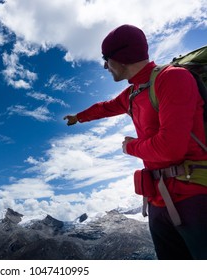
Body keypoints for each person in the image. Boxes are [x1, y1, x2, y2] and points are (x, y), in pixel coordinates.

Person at [64, 24, 207, 260]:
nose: (104, 66)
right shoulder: (134, 92)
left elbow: (170, 148)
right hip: (158, 202)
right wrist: (79, 117)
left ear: (121, 57)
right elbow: (106, 107)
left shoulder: (172, 79)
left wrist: (129, 146)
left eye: (106, 59)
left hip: (194, 197)